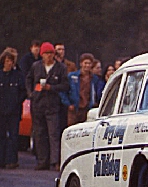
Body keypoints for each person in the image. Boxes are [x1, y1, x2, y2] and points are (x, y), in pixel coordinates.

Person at [26, 42, 69, 171]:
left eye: (51, 53)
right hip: (38, 104)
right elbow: (28, 79)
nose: (49, 56)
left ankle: (54, 161)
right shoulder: (36, 66)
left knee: (53, 133)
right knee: (39, 134)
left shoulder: (61, 68)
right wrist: (31, 93)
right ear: (42, 55)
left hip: (52, 105)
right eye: (46, 53)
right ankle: (42, 160)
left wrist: (52, 88)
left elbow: (65, 85)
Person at [0, 48, 25, 169]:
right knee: (0, 136)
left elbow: (22, 92)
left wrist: (14, 104)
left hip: (13, 111)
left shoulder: (18, 76)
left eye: (11, 61)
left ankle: (12, 160)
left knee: (13, 136)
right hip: (0, 111)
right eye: (7, 60)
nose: (9, 63)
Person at [64, 53, 104, 125]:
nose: (87, 65)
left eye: (89, 63)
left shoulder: (94, 78)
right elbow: (64, 91)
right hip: (74, 109)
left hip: (87, 108)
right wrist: (68, 104)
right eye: (85, 63)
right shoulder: (72, 76)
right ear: (81, 64)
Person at [54, 43, 77, 135]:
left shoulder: (70, 65)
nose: (61, 52)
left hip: (67, 97)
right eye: (59, 49)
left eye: (63, 49)